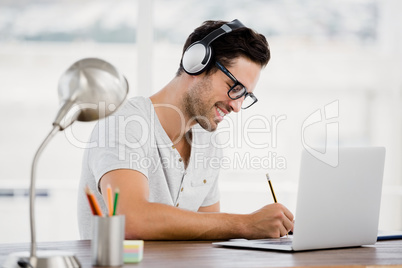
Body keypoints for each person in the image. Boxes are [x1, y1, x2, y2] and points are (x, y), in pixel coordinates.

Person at [77, 19, 294, 240]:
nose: (237, 106)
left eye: (245, 95)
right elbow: (131, 221)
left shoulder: (208, 143)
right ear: (196, 63)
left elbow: (210, 236)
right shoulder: (124, 123)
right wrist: (247, 224)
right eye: (234, 88)